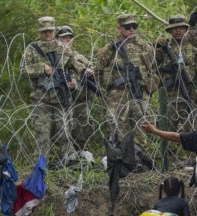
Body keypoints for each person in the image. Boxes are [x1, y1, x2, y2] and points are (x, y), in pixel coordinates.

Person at [20, 17, 84, 167]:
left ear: (55, 31)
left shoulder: (63, 49)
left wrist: (74, 82)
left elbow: (76, 66)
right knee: (42, 136)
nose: (48, 34)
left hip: (62, 98)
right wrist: (41, 68)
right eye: (44, 31)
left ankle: (67, 166)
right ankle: (40, 169)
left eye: (50, 31)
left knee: (64, 134)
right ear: (40, 32)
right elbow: (23, 70)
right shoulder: (32, 49)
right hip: (41, 99)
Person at [97, 14, 157, 145]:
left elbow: (154, 70)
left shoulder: (144, 48)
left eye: (134, 26)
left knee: (141, 124)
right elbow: (98, 69)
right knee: (115, 123)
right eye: (128, 27)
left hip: (139, 91)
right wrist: (106, 85)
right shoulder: (110, 49)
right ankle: (119, 155)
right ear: (119, 28)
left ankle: (139, 156)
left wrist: (149, 90)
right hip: (117, 93)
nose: (132, 30)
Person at [155, 15, 197, 132]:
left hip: (190, 95)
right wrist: (153, 45)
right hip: (170, 96)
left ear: (186, 29)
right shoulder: (163, 46)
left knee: (194, 132)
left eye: (181, 28)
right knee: (165, 131)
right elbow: (151, 63)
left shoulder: (195, 47)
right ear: (170, 30)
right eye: (174, 28)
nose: (178, 31)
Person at [56, 25, 102, 151]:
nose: (67, 40)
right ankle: (66, 155)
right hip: (62, 100)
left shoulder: (78, 57)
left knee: (83, 127)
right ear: (57, 39)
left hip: (81, 99)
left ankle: (82, 152)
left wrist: (90, 71)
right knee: (64, 128)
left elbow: (93, 68)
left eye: (69, 38)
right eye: (64, 38)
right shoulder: (55, 57)